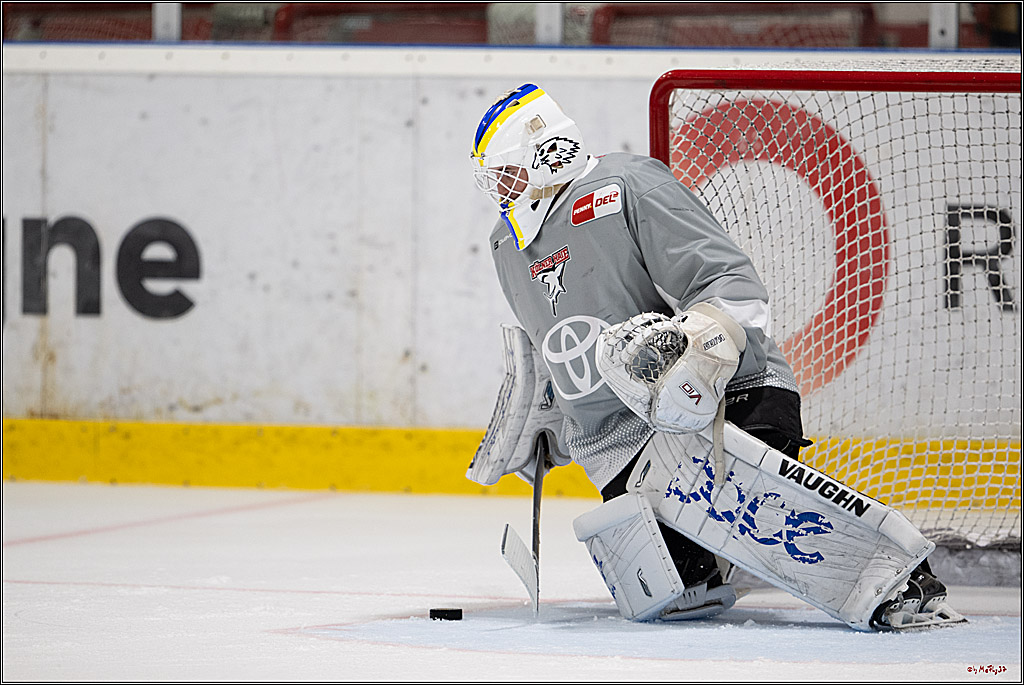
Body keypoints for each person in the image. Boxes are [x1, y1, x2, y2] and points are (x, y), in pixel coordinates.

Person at [467, 83, 964, 631]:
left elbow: (729, 282)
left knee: (764, 519)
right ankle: (718, 556)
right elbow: (557, 346)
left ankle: (898, 579)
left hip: (723, 399)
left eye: (507, 171)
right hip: (618, 448)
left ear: (548, 150)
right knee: (670, 591)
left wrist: (698, 355)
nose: (501, 189)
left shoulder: (625, 185)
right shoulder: (505, 244)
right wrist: (550, 422)